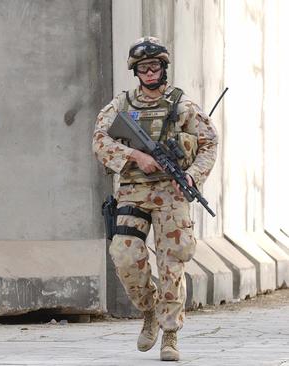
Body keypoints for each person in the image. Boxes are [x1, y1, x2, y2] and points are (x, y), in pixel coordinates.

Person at [92, 36, 218, 361]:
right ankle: (149, 310)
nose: (150, 73)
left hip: (170, 193)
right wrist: (134, 154)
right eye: (144, 68)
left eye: (155, 67)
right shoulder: (122, 105)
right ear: (136, 71)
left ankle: (170, 333)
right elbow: (99, 140)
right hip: (133, 190)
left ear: (164, 68)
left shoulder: (181, 106)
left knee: (172, 263)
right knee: (124, 255)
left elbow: (209, 142)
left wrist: (192, 176)